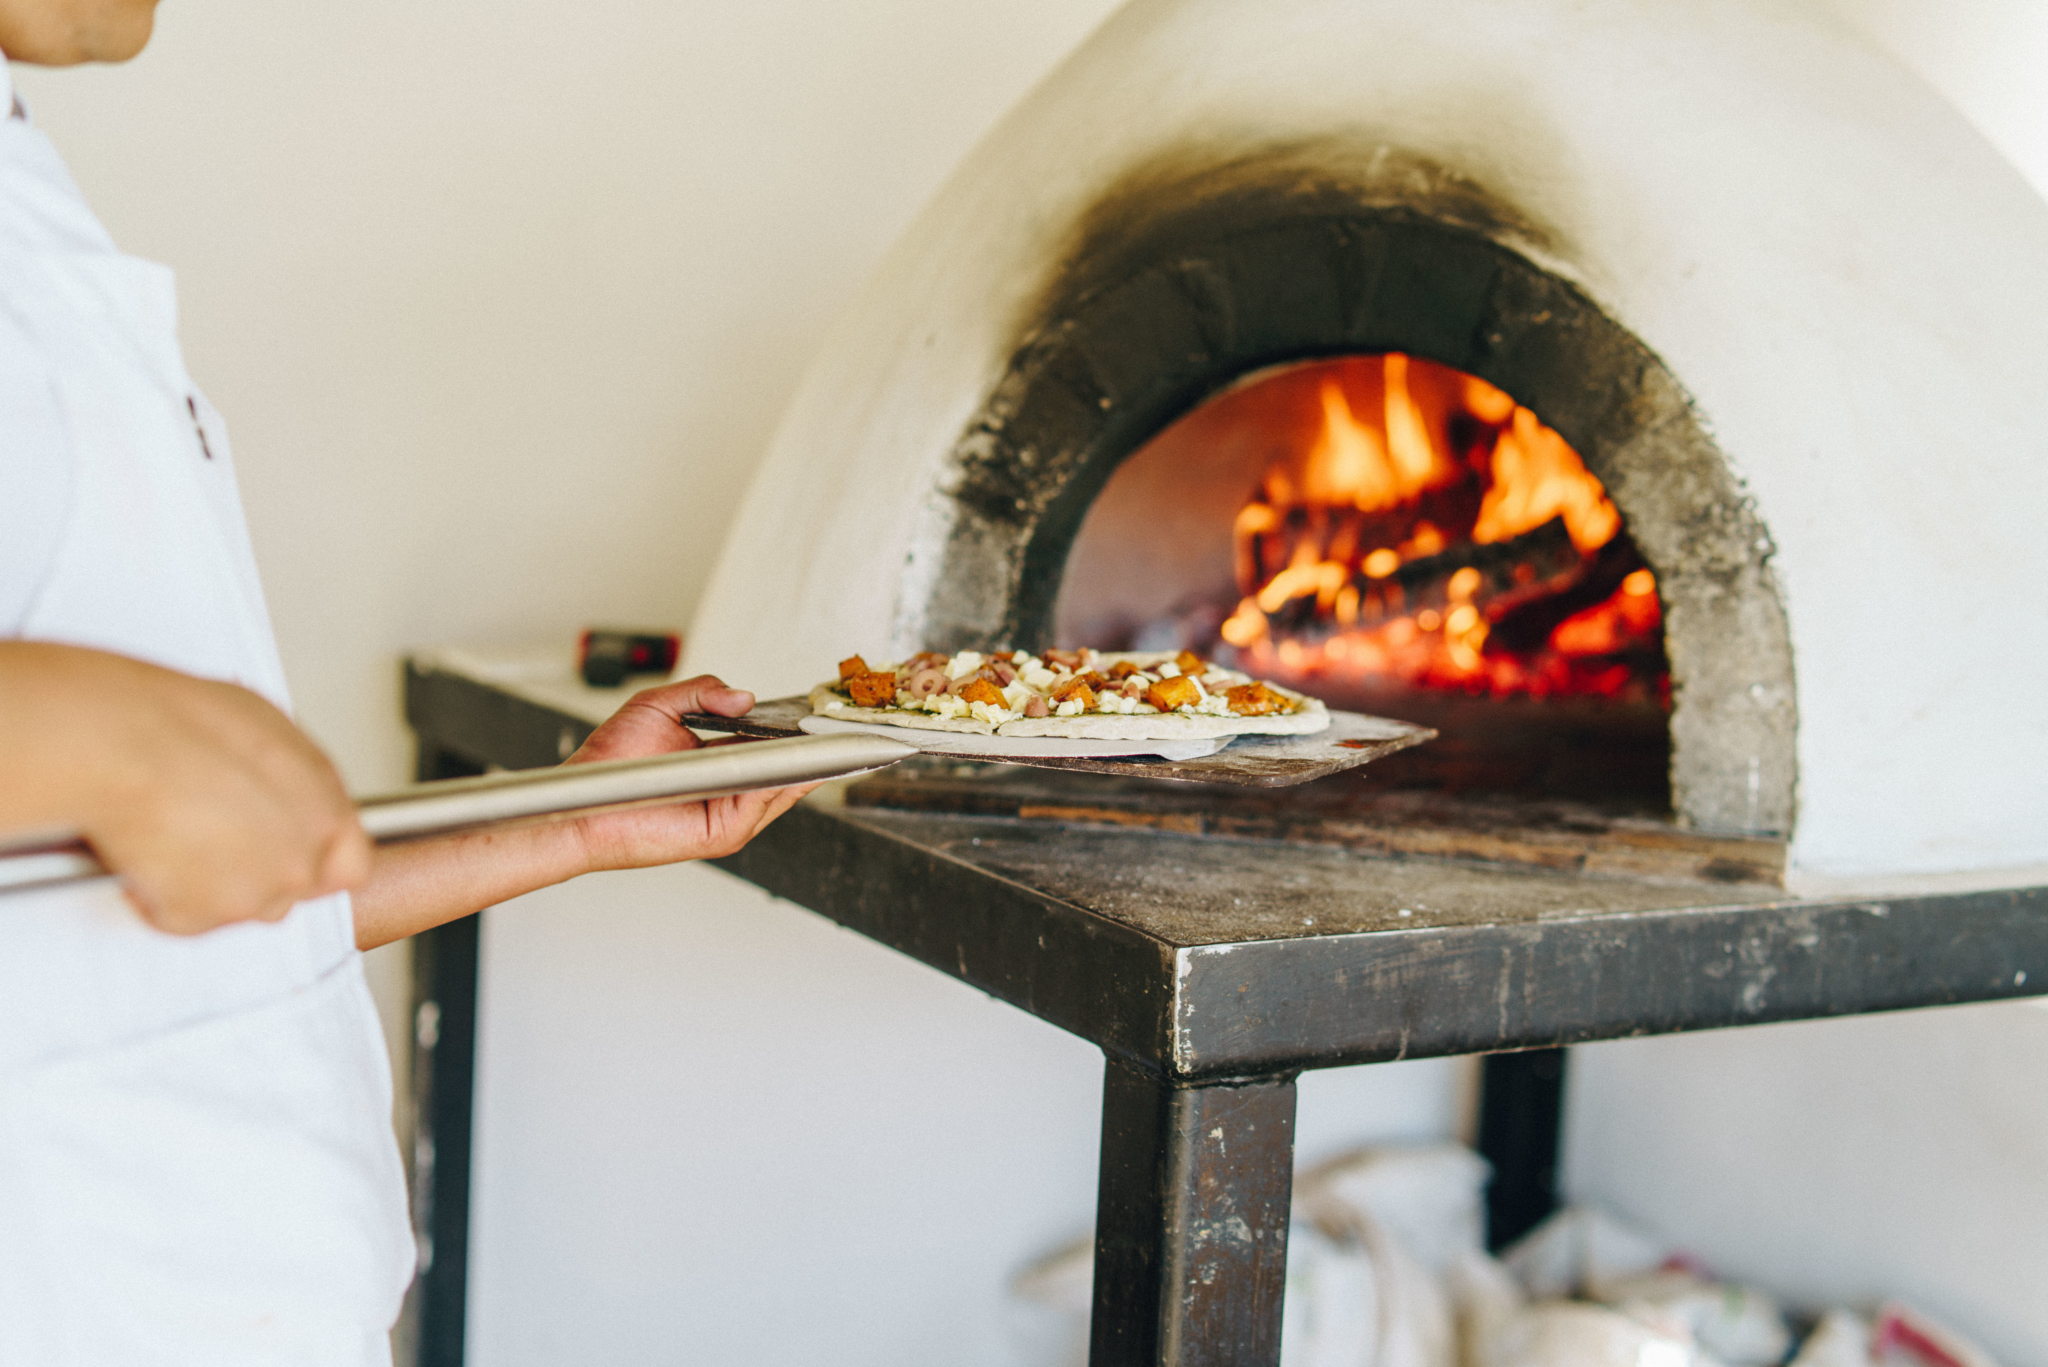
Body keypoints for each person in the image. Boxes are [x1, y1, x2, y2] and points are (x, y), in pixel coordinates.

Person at [0, 0, 814, 1360]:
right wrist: (106, 736)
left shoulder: (32, 199)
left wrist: (577, 820)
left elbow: (201, 893)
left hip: (233, 1282)